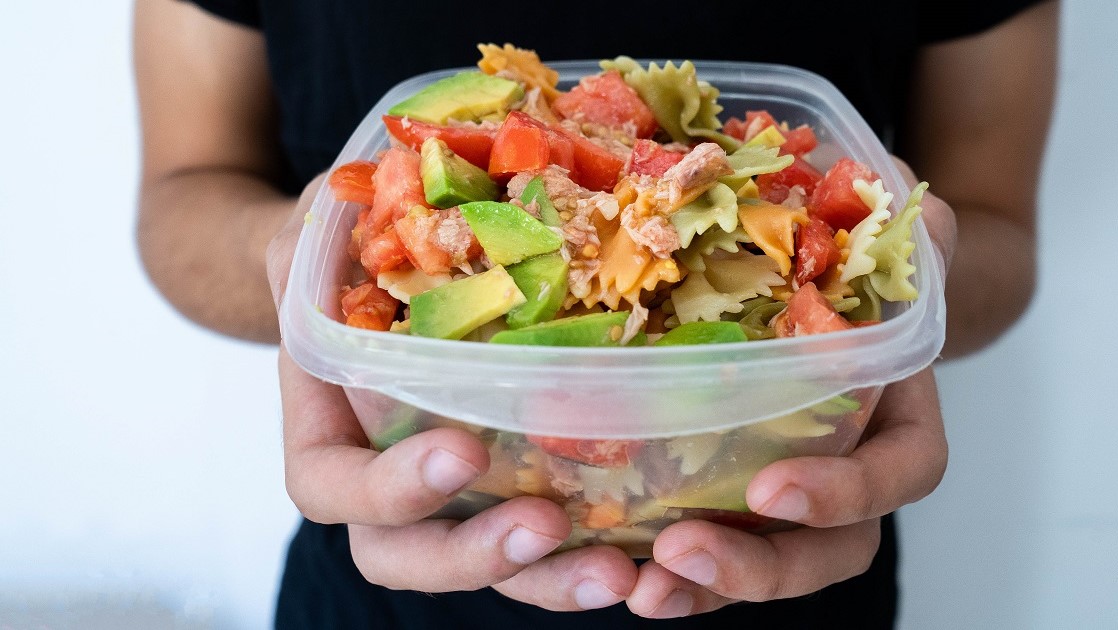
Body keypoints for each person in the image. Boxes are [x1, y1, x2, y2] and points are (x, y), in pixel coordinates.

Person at [134, 1, 1057, 627]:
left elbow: (996, 225)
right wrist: (311, 266)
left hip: (784, 537)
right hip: (393, 551)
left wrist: (912, 270)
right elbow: (185, 190)